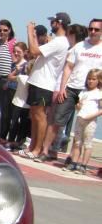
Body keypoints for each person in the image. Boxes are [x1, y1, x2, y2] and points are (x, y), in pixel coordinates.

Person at [19, 12, 71, 159]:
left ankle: (37, 149)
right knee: (34, 115)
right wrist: (33, 36)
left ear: (59, 23)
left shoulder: (60, 41)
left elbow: (34, 51)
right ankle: (32, 146)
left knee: (40, 116)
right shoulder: (56, 41)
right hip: (38, 81)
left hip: (44, 83)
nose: (51, 24)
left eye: (53, 21)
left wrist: (30, 32)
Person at [48, 23, 97, 158]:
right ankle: (49, 150)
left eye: (96, 29)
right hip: (70, 87)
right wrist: (62, 87)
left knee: (81, 124)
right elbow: (68, 67)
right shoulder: (79, 47)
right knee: (58, 120)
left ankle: (73, 157)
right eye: (91, 29)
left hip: (88, 91)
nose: (93, 31)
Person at [62, 69, 102, 175]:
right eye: (89, 79)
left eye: (93, 79)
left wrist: (91, 116)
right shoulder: (83, 92)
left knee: (87, 143)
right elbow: (78, 105)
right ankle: (74, 163)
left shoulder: (99, 93)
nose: (90, 81)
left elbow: (101, 110)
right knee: (77, 142)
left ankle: (83, 165)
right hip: (80, 119)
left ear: (99, 80)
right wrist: (78, 105)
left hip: (90, 121)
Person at [6, 43, 31, 150]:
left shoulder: (22, 77)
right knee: (20, 124)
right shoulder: (25, 78)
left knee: (15, 123)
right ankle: (17, 142)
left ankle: (12, 141)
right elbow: (10, 78)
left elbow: (10, 77)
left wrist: (16, 71)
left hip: (19, 103)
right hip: (24, 104)